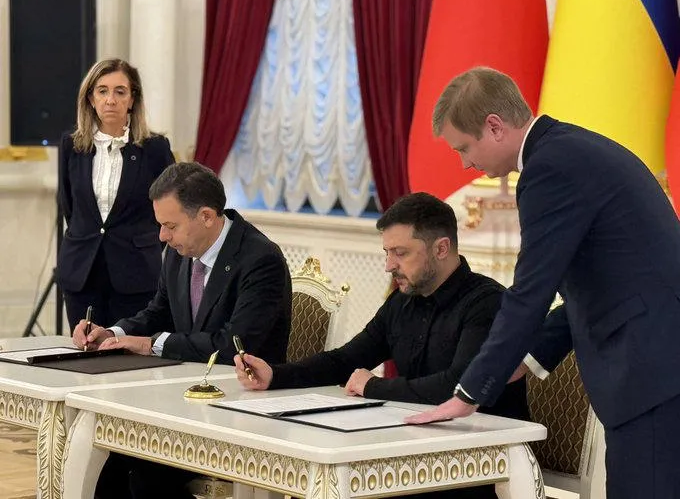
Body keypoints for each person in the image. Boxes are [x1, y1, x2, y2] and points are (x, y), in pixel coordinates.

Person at [406, 67, 680, 499]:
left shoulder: (549, 169)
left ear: (494, 126)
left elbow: (529, 293)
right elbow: (604, 286)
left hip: (650, 372)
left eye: (464, 148)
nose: (465, 164)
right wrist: (527, 356)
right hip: (661, 364)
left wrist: (469, 393)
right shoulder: (570, 149)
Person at [235, 192, 529, 499]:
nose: (389, 266)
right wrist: (275, 375)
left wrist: (373, 386)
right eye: (387, 253)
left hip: (479, 466)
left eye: (400, 253)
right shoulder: (402, 302)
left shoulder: (487, 303)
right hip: (413, 454)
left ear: (441, 248)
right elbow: (346, 359)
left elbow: (458, 386)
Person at [72, 161, 292, 499]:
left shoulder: (260, 259)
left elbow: (232, 346)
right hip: (182, 403)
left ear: (206, 216)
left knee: (145, 475)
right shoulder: (179, 251)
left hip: (238, 410)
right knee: (108, 462)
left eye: (170, 226)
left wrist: (151, 344)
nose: (162, 236)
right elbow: (159, 311)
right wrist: (114, 333)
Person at [57, 58, 175, 331]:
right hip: (81, 274)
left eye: (120, 91)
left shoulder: (155, 148)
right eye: (102, 91)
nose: (111, 100)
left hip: (136, 274)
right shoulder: (72, 145)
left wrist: (144, 245)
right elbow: (70, 207)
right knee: (86, 351)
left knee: (127, 352)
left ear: (132, 99)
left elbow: (168, 210)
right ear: (91, 98)